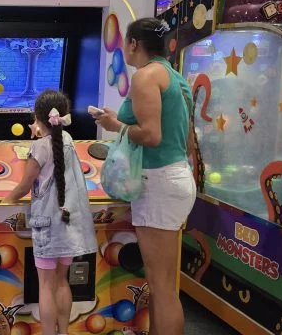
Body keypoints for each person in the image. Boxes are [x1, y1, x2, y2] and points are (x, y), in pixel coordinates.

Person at [92, 17, 195, 335]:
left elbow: (151, 135)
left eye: (126, 41)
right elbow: (187, 140)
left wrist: (116, 126)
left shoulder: (145, 76)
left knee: (161, 286)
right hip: (176, 176)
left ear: (134, 44)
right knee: (163, 282)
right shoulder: (174, 77)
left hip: (158, 182)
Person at [4, 90, 98, 335]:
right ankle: (63, 332)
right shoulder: (67, 139)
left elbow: (25, 185)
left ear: (37, 118)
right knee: (62, 281)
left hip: (47, 224)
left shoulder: (39, 147)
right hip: (67, 221)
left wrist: (7, 200)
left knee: (45, 285)